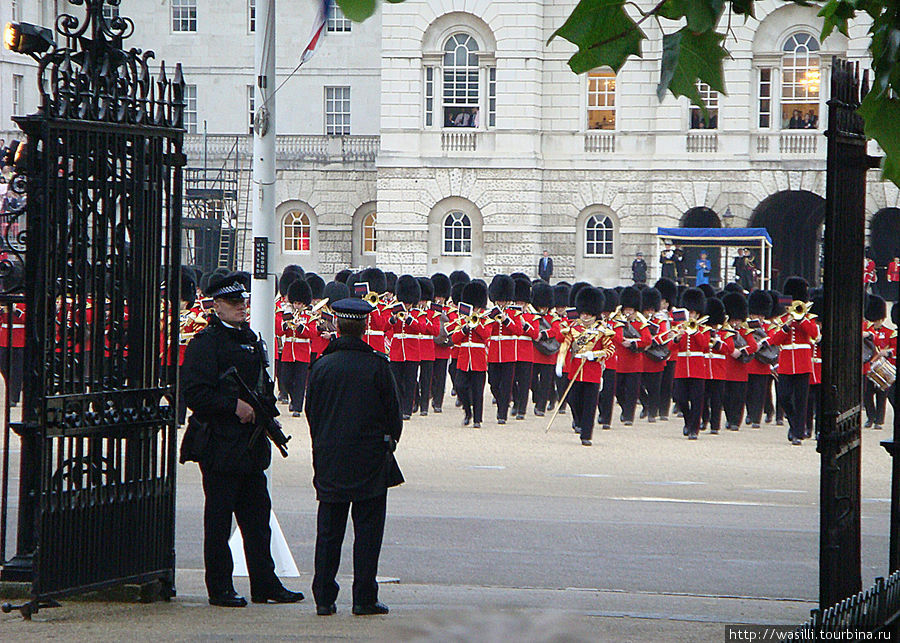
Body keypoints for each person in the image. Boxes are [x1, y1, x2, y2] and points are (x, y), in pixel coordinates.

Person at [181, 271, 304, 608]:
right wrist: (232, 405)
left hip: (249, 445)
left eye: (243, 301)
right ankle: (220, 586)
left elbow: (261, 386)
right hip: (220, 443)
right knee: (219, 521)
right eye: (234, 302)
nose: (241, 306)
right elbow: (195, 393)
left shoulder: (249, 339)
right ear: (216, 305)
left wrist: (263, 412)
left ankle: (265, 583)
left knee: (257, 520)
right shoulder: (205, 344)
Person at [306, 297, 404, 617]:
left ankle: (323, 596)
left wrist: (323, 443)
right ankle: (363, 597)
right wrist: (388, 445)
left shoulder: (321, 365)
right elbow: (394, 416)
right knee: (367, 534)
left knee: (329, 533)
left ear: (337, 324)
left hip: (331, 457)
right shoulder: (377, 365)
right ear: (365, 326)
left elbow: (312, 412)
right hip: (369, 461)